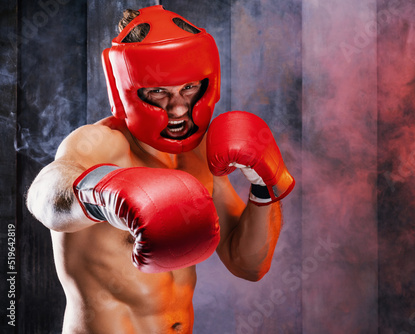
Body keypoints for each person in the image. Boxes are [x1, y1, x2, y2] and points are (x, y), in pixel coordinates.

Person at [26, 5, 294, 334]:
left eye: (189, 88)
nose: (179, 107)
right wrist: (106, 196)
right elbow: (44, 197)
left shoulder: (199, 154)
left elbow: (249, 264)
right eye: (158, 92)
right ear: (126, 91)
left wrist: (265, 187)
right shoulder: (99, 145)